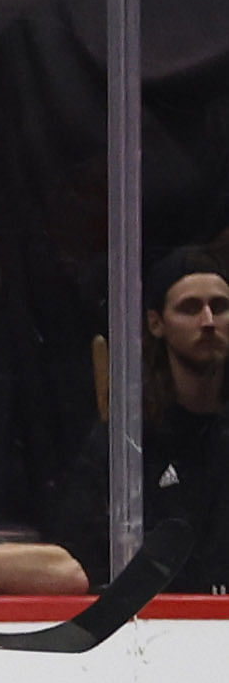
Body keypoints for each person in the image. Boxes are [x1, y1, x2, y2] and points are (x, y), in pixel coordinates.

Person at [144, 243, 229, 586]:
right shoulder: (131, 442)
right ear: (156, 323)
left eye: (220, 307)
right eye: (190, 308)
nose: (208, 321)